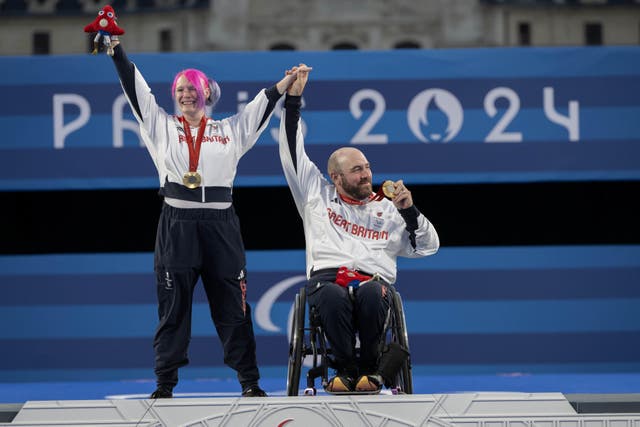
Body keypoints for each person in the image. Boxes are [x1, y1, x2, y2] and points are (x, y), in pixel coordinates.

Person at [101, 11, 299, 399]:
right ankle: (164, 384)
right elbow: (135, 87)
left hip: (221, 225)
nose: (186, 94)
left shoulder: (229, 130)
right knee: (173, 308)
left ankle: (249, 382)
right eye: (180, 90)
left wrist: (286, 82)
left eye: (193, 88)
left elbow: (262, 107)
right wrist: (115, 49)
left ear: (208, 93)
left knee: (234, 306)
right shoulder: (160, 127)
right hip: (177, 223)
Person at [279, 65, 440, 393]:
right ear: (336, 178)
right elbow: (291, 151)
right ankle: (345, 370)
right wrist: (293, 100)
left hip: (373, 281)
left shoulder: (388, 208)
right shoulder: (316, 195)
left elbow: (427, 246)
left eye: (367, 168)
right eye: (356, 170)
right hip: (327, 279)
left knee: (370, 293)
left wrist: (409, 211)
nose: (366, 175)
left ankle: (370, 371)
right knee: (331, 296)